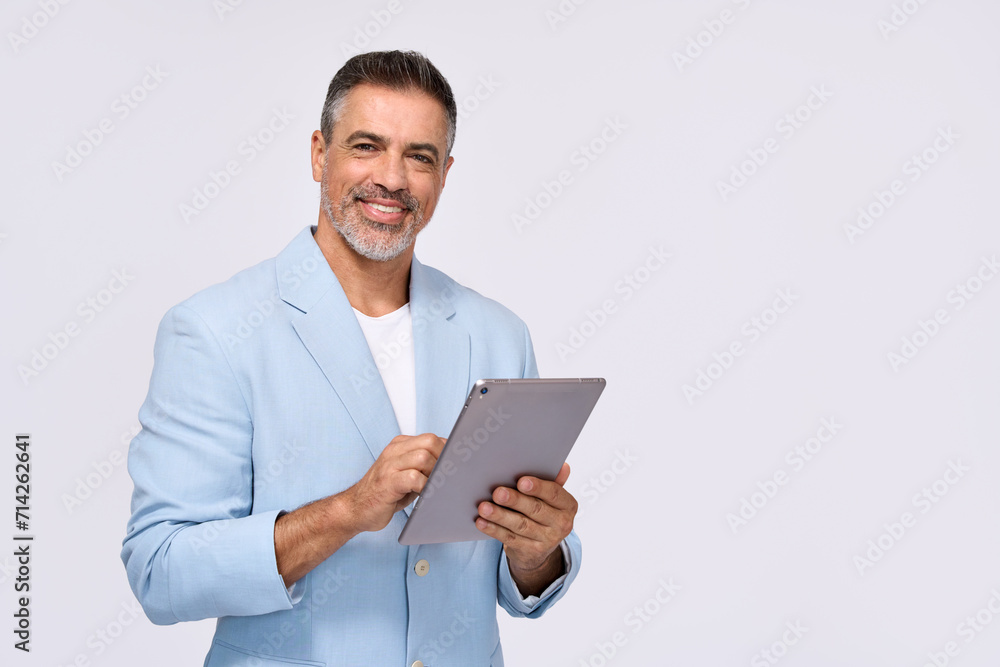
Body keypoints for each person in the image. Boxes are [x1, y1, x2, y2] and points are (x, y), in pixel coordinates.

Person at [121, 50, 582, 666]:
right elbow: (161, 571)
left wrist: (537, 547)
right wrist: (346, 511)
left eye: (419, 156)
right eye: (367, 146)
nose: (392, 178)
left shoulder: (497, 334)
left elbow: (512, 576)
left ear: (443, 175)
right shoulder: (214, 331)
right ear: (319, 154)